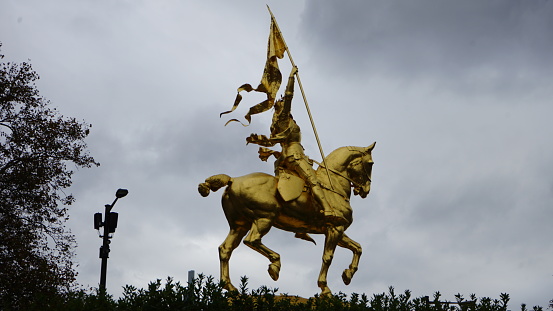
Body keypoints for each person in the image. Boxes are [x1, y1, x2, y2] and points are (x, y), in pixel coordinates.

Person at [247, 67, 344, 224]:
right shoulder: (283, 118)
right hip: (294, 155)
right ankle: (327, 208)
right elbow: (289, 96)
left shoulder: (279, 122)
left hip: (288, 157)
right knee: (314, 181)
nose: (283, 102)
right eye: (282, 102)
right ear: (279, 107)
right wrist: (291, 77)